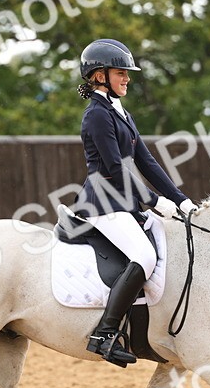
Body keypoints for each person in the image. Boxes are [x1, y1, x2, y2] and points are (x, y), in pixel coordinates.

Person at [74, 38, 198, 366]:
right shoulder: (96, 116)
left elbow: (147, 162)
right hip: (102, 203)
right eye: (121, 73)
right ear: (99, 76)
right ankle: (104, 333)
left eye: (128, 73)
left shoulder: (121, 113)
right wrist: (154, 201)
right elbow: (115, 169)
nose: (127, 78)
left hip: (123, 203)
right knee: (143, 256)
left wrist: (180, 200)